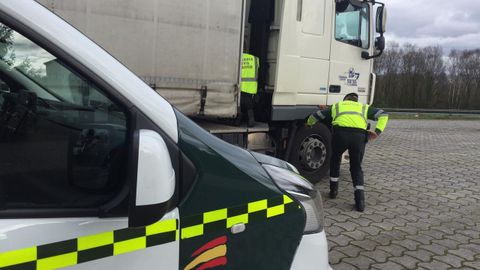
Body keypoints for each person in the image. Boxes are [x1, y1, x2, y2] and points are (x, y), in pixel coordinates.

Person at [306, 93, 389, 212]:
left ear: (345, 100)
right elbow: (383, 114)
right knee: (356, 168)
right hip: (359, 137)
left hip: (340, 135)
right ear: (356, 101)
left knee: (335, 161)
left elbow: (316, 115)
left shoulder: (337, 106)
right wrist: (377, 131)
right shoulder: (363, 107)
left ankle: (333, 191)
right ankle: (360, 201)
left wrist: (309, 124)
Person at [240, 53, 259, 127]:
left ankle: (238, 120)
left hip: (240, 87)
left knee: (239, 105)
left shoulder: (238, 57)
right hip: (251, 88)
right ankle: (251, 121)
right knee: (249, 106)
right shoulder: (255, 59)